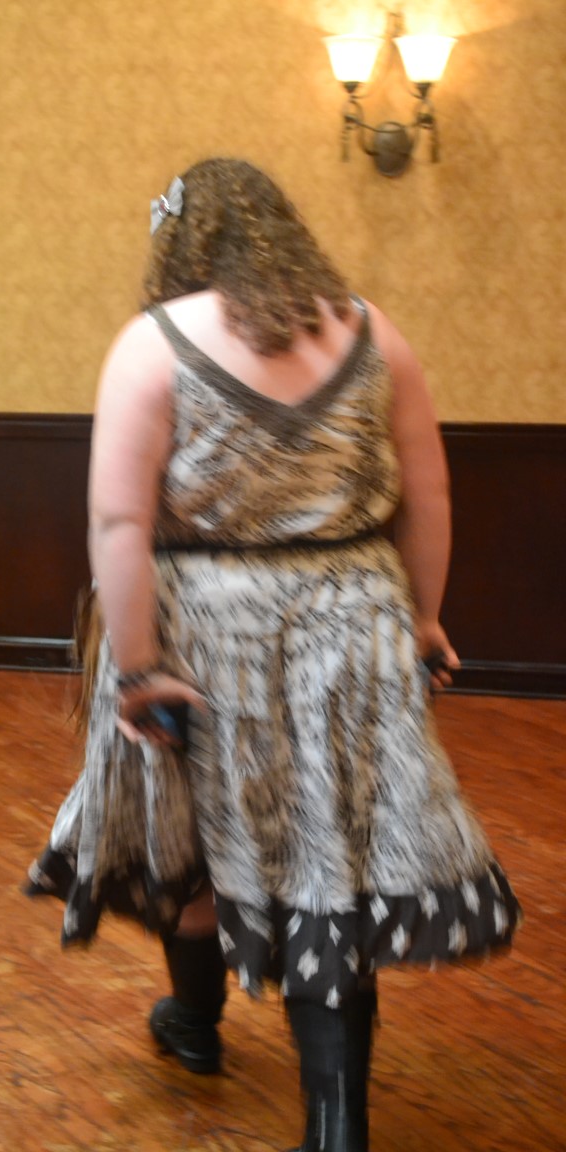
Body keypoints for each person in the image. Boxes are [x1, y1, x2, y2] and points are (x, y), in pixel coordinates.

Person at [26, 157, 521, 1152]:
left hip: (205, 631)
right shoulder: (374, 333)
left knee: (190, 835)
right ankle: (335, 1121)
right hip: (354, 620)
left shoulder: (152, 343)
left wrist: (140, 668)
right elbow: (428, 494)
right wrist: (424, 620)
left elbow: (119, 522)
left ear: (181, 239)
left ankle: (195, 1023)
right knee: (329, 858)